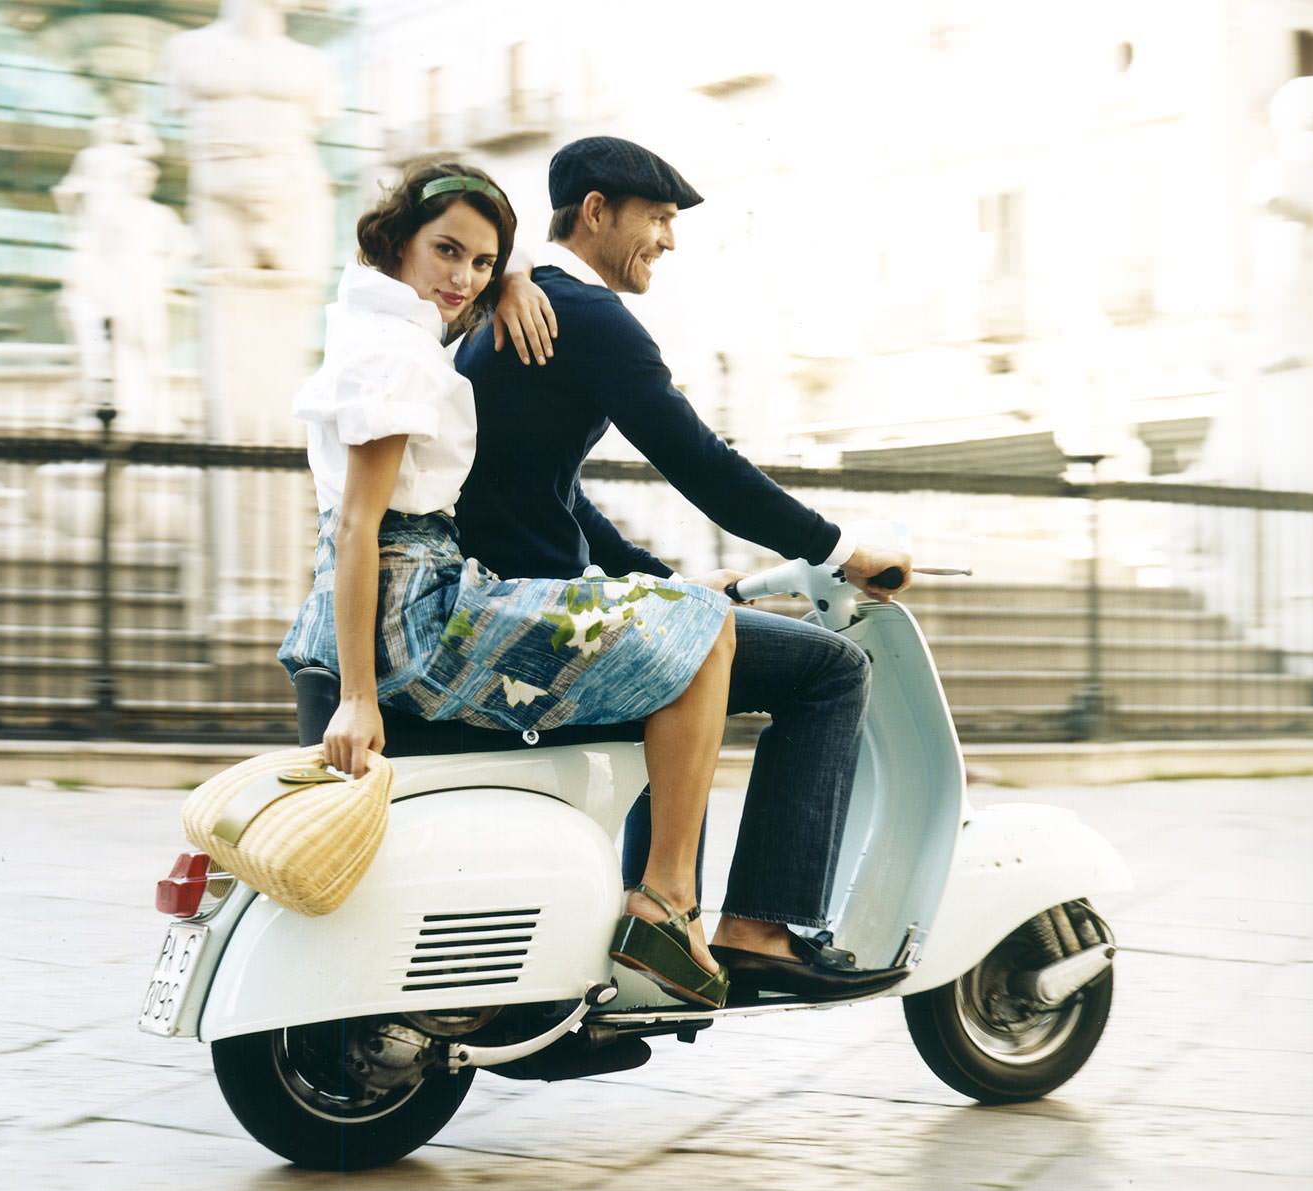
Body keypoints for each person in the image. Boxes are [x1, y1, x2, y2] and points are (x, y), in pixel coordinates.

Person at [454, 137, 913, 1001]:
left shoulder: (524, 307)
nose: (669, 240)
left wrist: (659, 577)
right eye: (659, 219)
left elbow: (547, 493)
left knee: (686, 637)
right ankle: (757, 926)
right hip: (535, 607)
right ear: (596, 212)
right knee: (830, 670)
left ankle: (653, 927)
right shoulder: (587, 318)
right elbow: (700, 461)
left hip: (514, 588)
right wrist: (841, 549)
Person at [278, 160, 739, 1008]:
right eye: (446, 251)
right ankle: (667, 902)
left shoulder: (383, 326)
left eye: (481, 262)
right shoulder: (400, 359)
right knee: (703, 624)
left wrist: (515, 278)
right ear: (398, 242)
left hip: (400, 603)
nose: (463, 278)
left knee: (680, 614)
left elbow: (458, 289)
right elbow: (359, 526)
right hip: (416, 620)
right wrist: (357, 695)